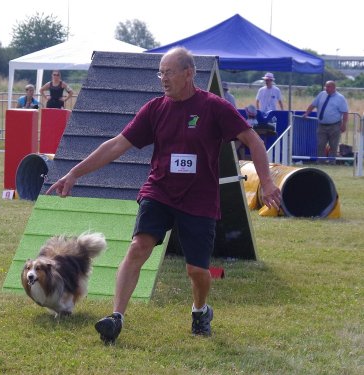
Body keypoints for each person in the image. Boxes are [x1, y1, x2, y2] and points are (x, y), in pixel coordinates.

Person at [46, 47, 281, 344]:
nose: (163, 79)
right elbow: (117, 144)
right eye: (161, 72)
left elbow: (254, 141)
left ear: (189, 73)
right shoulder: (155, 109)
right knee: (138, 247)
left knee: (197, 271)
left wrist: (269, 183)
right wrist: (75, 173)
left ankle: (200, 309)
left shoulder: (215, 107)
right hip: (159, 190)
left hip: (200, 197)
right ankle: (116, 317)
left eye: (169, 72)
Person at [303, 80, 348, 163]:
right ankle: (321, 161)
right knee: (320, 144)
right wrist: (307, 113)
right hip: (321, 125)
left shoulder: (340, 98)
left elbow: (345, 112)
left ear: (334, 87)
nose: (326, 88)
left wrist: (344, 125)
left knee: (333, 145)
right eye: (326, 86)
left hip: (335, 125)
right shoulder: (321, 94)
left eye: (328, 87)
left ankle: (331, 162)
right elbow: (313, 105)